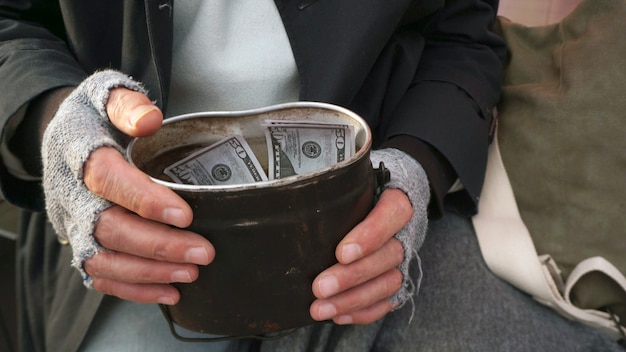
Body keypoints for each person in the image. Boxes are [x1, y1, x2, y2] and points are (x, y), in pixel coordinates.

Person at [0, 1, 622, 351]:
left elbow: (462, 37)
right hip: (131, 240)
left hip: (363, 217)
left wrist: (415, 168)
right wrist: (57, 125)